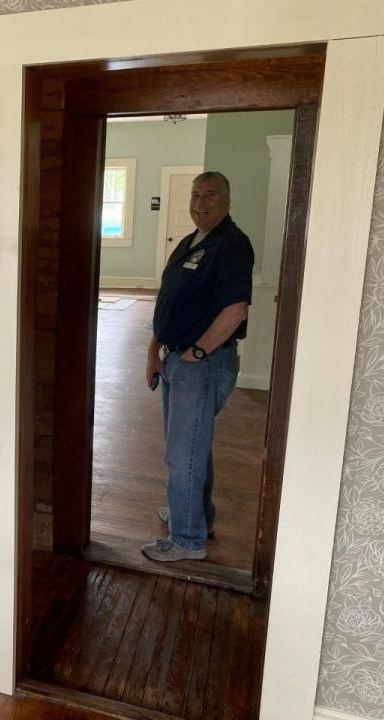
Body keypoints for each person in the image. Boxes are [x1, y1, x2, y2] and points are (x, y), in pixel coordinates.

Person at [141, 171, 254, 562]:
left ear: (226, 200)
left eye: (209, 195)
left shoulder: (232, 244)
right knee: (192, 444)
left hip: (202, 364)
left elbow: (235, 309)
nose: (200, 203)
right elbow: (167, 300)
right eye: (195, 195)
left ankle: (187, 540)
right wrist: (154, 351)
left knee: (182, 453)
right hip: (175, 356)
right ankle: (198, 518)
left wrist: (199, 354)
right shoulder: (189, 243)